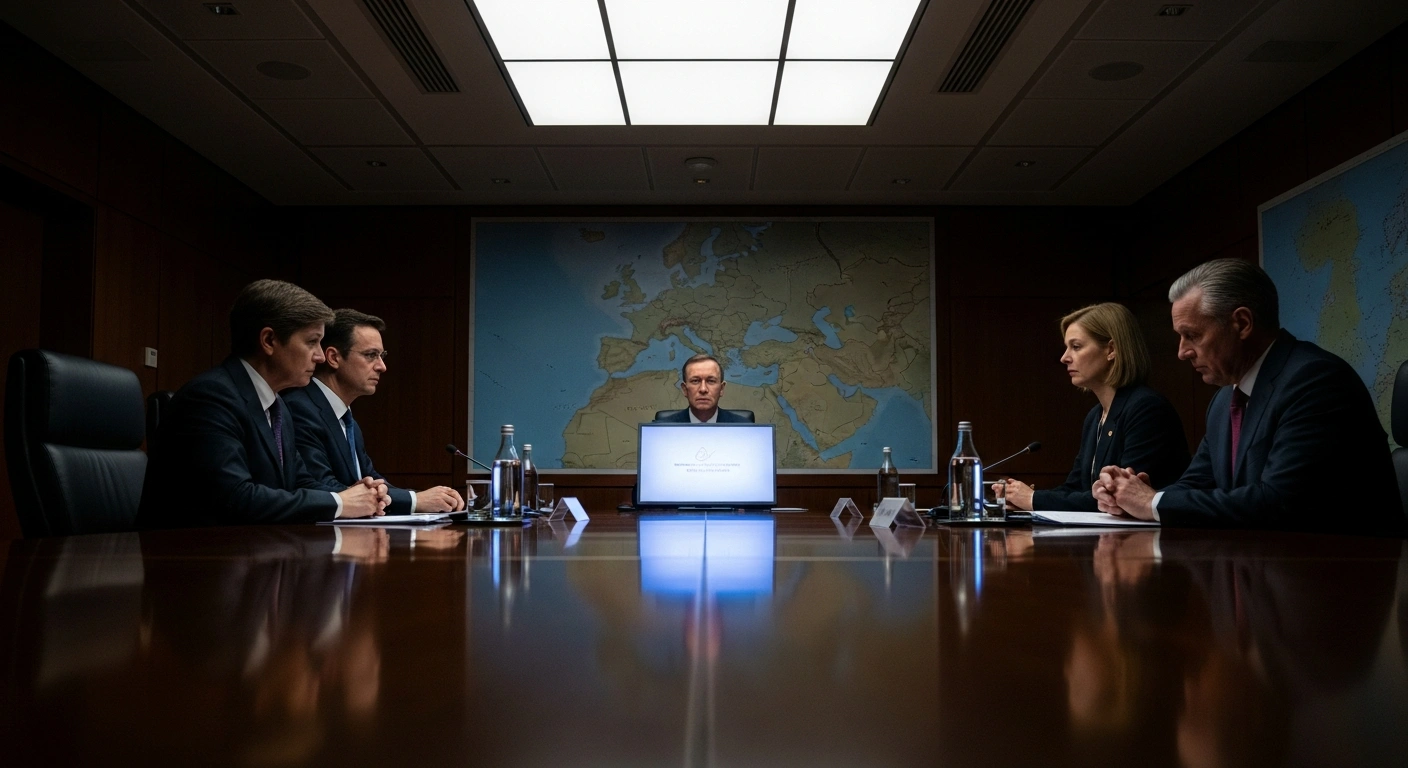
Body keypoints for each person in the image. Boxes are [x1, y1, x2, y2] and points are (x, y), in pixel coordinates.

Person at [1093, 258, 1404, 532]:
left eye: (1192, 335)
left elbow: (1279, 501)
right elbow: (1197, 483)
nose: (1182, 352)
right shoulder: (1224, 401)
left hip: (1343, 570)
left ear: (1242, 323)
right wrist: (1131, 496)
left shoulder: (1316, 382)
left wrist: (1152, 503)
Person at [137, 280, 389, 528]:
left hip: (253, 546)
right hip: (189, 550)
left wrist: (355, 494)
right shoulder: (211, 398)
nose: (320, 356)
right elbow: (236, 497)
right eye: (312, 342)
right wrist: (340, 503)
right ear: (269, 341)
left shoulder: (276, 405)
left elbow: (300, 482)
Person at [1002, 303, 1189, 512]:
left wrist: (1034, 499)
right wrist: (1022, 500)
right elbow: (1075, 488)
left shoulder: (1146, 409)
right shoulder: (1095, 416)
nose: (1064, 357)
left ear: (1111, 350)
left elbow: (1118, 497)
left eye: (1076, 346)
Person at [285, 309, 464, 514]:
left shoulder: (347, 420)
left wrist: (430, 498)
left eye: (382, 355)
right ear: (334, 357)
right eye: (371, 355)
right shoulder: (300, 408)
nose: (382, 366)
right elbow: (322, 489)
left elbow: (374, 482)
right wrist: (415, 500)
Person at [654, 353, 752, 423]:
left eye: (711, 381)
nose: (703, 389)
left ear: (721, 389)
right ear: (684, 389)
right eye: (695, 381)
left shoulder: (744, 428)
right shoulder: (662, 430)